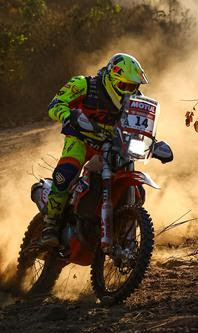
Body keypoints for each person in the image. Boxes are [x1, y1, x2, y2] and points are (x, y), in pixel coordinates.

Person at [40, 53, 149, 247]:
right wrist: (69, 115)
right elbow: (55, 105)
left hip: (113, 147)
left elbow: (142, 127)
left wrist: (154, 144)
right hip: (81, 140)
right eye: (125, 86)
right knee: (66, 173)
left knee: (136, 189)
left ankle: (120, 229)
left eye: (134, 87)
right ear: (111, 79)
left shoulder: (136, 101)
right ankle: (51, 224)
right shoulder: (84, 85)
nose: (129, 92)